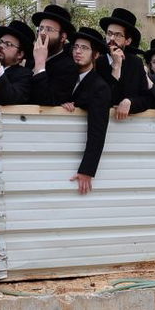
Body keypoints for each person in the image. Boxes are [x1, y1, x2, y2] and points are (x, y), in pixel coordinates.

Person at [32, 27, 111, 195]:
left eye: (84, 48)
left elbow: (98, 130)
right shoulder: (65, 74)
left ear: (95, 55)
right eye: (75, 47)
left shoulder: (100, 87)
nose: (78, 51)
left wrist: (87, 170)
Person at [98, 7, 152, 120]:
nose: (111, 38)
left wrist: (130, 102)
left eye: (118, 35)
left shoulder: (136, 63)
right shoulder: (97, 61)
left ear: (127, 41)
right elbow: (101, 98)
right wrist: (116, 68)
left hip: (129, 129)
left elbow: (146, 99)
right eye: (109, 33)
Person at [29, 4, 78, 104]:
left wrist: (40, 64)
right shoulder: (30, 60)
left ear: (63, 37)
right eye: (41, 28)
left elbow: (46, 100)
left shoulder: (68, 67)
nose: (42, 33)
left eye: (49, 29)